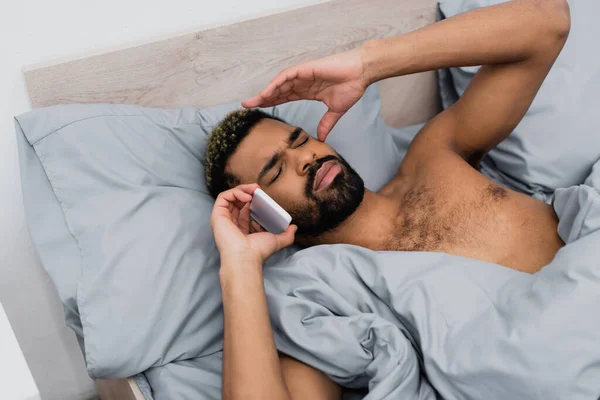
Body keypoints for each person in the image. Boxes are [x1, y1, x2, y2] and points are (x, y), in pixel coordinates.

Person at [207, 0, 571, 398]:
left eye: (299, 140)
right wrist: (240, 264)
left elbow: (548, 22)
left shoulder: (434, 157)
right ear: (260, 214)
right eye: (275, 171)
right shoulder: (321, 294)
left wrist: (368, 65)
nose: (307, 158)